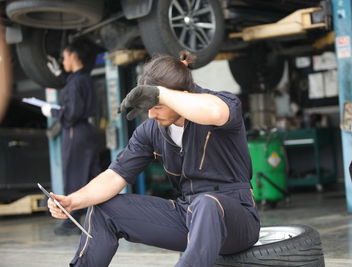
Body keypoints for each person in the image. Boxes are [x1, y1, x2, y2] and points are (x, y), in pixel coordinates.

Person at [47, 51, 260, 267]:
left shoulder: (222, 103)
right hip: (187, 213)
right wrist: (73, 201)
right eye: (148, 107)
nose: (151, 114)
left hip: (236, 218)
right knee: (104, 208)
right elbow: (114, 176)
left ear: (182, 95)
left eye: (156, 106)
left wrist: (161, 93)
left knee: (206, 204)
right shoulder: (150, 131)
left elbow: (215, 112)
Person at [42, 39, 101, 236]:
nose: (63, 60)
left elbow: (72, 113)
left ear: (74, 55)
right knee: (92, 175)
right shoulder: (84, 78)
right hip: (86, 132)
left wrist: (53, 111)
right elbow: (69, 85)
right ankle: (103, 217)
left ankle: (70, 222)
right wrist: (58, 73)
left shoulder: (76, 81)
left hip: (75, 131)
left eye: (65, 56)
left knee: (74, 175)